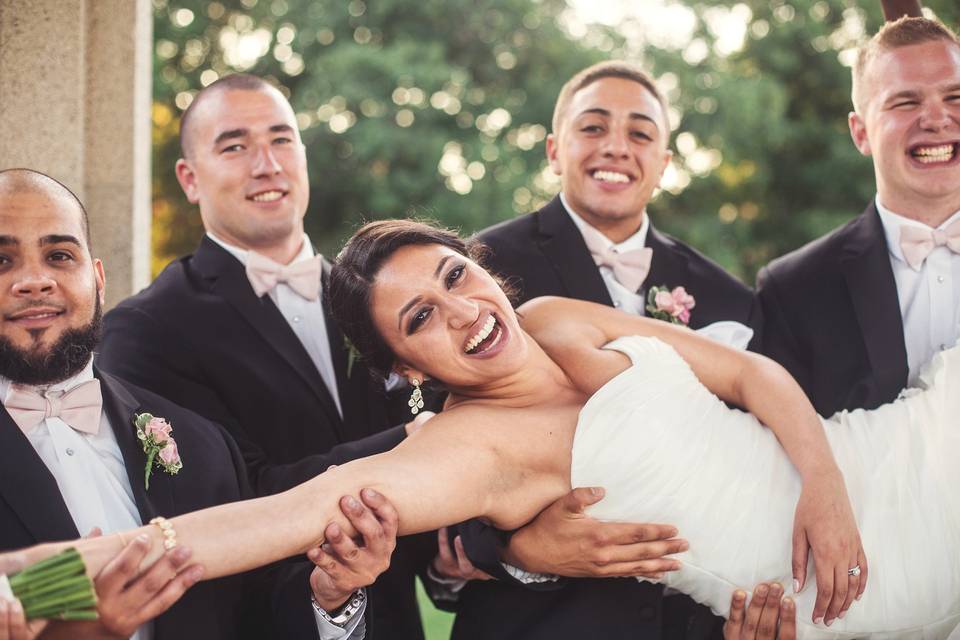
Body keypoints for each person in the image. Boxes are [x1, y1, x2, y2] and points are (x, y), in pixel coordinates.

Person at [19, 219, 960, 638]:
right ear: (404, 372)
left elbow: (751, 373)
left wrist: (829, 494)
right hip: (845, 593)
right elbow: (255, 523)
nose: (462, 312)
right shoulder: (462, 455)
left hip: (871, 471)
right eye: (420, 320)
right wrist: (31, 579)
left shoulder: (557, 315)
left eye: (454, 278)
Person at [96, 73, 435, 638]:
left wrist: (454, 560)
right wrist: (420, 440)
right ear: (189, 177)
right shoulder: (145, 330)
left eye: (281, 139)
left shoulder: (379, 301)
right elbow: (225, 497)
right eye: (235, 146)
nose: (266, 164)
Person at [0, 169, 396, 640]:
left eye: (59, 255)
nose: (34, 280)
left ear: (98, 279)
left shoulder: (202, 445)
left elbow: (251, 614)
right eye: (2, 260)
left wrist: (327, 595)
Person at [464, 59, 762, 640]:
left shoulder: (730, 298)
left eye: (641, 133)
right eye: (594, 127)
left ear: (665, 164)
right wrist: (518, 547)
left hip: (688, 620)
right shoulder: (480, 275)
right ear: (554, 149)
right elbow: (444, 429)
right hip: (537, 621)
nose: (617, 147)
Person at [757, 16, 960, 417]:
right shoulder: (791, 290)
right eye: (906, 101)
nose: (937, 119)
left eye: (955, 97)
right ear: (861, 132)